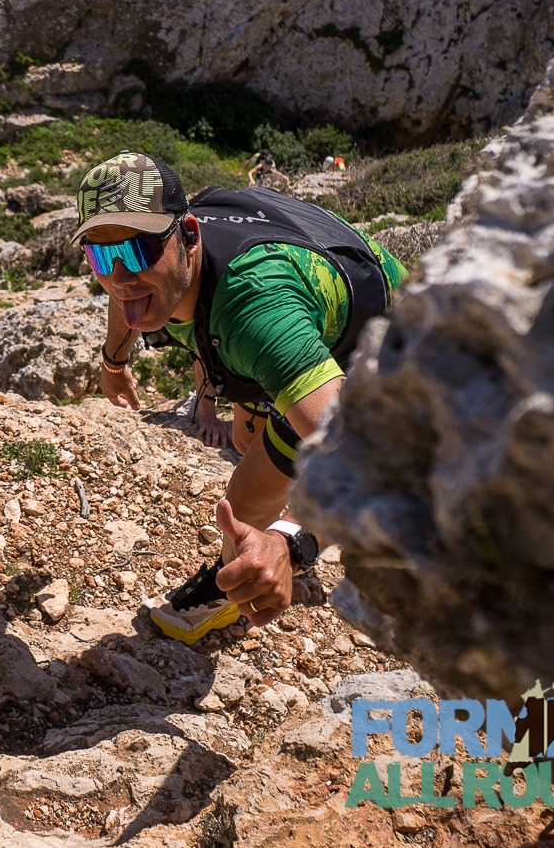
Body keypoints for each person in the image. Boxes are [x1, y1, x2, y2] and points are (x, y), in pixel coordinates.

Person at [72, 151, 407, 642]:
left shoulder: (255, 311)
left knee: (246, 499)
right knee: (250, 439)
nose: (120, 277)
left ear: (189, 234)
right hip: (319, 317)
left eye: (139, 250)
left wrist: (292, 542)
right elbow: (124, 293)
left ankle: (242, 576)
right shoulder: (160, 267)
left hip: (387, 355)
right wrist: (113, 363)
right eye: (100, 256)